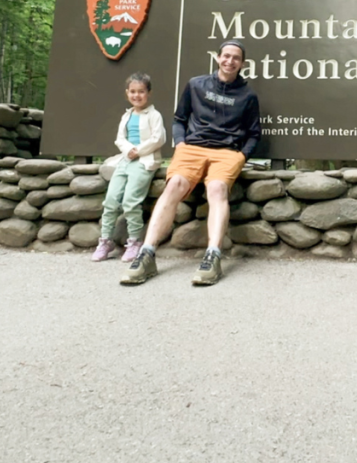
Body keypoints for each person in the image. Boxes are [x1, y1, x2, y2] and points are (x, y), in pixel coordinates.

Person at [120, 40, 260, 287]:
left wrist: (242, 156)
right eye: (225, 56)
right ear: (218, 58)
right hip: (192, 148)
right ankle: (147, 254)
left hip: (227, 152)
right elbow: (179, 118)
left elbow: (253, 133)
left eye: (235, 58)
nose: (230, 61)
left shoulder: (247, 96)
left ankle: (213, 256)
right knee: (174, 186)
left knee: (217, 189)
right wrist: (180, 143)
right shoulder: (196, 85)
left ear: (242, 64)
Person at [92, 73, 166, 263]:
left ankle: (134, 241)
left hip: (144, 161)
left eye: (141, 91)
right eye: (133, 92)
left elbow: (158, 138)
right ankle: (105, 241)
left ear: (148, 93)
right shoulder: (127, 115)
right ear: (127, 93)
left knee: (130, 201)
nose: (137, 95)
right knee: (110, 200)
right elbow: (120, 138)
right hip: (126, 160)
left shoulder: (154, 115)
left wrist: (138, 151)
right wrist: (128, 150)